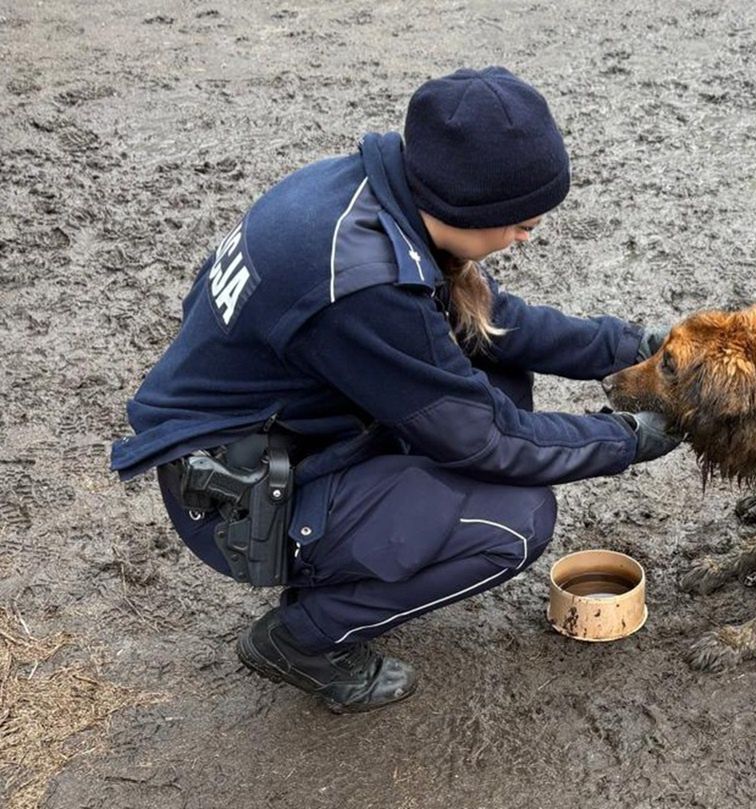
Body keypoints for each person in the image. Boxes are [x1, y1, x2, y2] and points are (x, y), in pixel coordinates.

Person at [109, 66, 682, 713]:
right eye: (520, 221)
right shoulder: (365, 283)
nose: (529, 233)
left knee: (495, 370)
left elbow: (496, 325)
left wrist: (632, 346)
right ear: (468, 204)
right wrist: (625, 439)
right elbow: (487, 438)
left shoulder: (369, 196)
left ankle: (363, 550)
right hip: (237, 499)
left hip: (278, 436)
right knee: (514, 521)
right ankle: (303, 637)